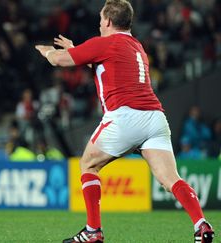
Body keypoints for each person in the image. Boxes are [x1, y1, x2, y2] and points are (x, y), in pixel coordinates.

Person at [35, 1, 215, 243]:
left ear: (108, 21)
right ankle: (201, 225)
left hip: (125, 117)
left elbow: (59, 61)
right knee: (170, 179)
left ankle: (93, 231)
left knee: (88, 164)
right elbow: (106, 65)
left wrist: (47, 51)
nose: (99, 23)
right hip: (155, 118)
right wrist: (77, 49)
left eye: (101, 19)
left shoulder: (104, 43)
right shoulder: (136, 46)